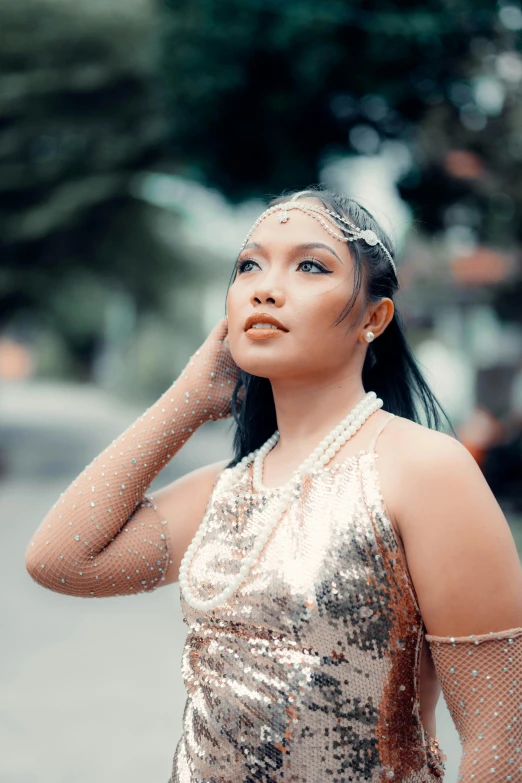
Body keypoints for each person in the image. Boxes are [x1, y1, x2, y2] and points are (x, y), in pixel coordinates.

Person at [25, 187, 522, 782]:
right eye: (248, 266)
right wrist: (189, 399)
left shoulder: (425, 471)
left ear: (373, 318)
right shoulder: (227, 492)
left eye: (311, 265)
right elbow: (60, 560)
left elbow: (501, 744)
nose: (264, 286)